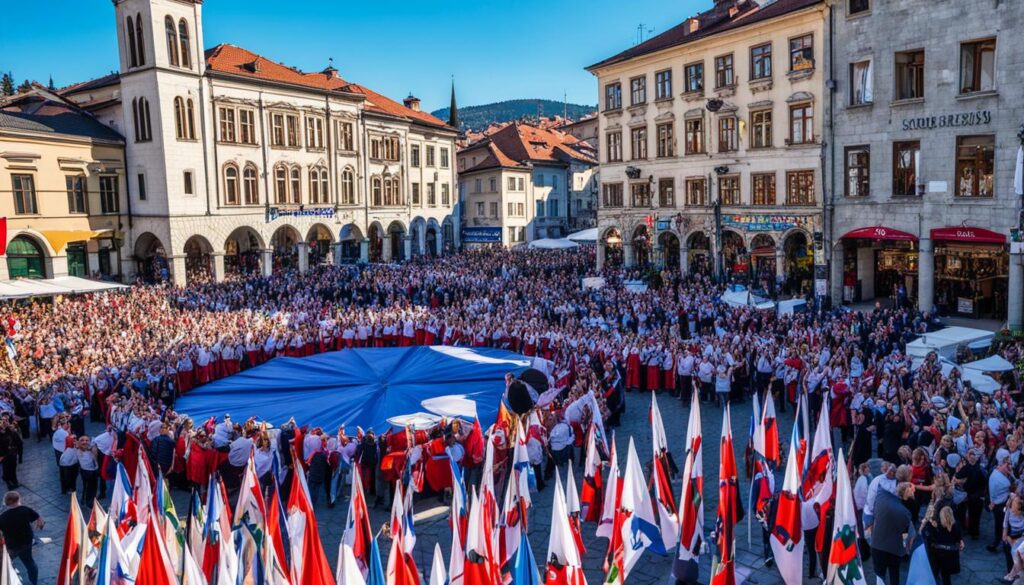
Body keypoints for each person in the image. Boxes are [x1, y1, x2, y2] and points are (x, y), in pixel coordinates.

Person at [870, 481, 915, 585]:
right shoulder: (905, 511)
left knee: (880, 577)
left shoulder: (882, 498)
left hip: (877, 545)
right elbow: (908, 533)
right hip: (894, 549)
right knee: (894, 575)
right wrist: (906, 549)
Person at [0, 491, 42, 585]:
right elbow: (37, 517)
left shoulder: (2, 517)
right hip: (26, 543)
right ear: (18, 499)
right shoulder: (25, 509)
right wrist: (39, 524)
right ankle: (34, 582)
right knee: (29, 563)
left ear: (6, 502)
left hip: (11, 545)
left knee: (6, 563)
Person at [922, 502, 963, 585]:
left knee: (934, 573)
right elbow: (958, 538)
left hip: (937, 555)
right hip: (949, 556)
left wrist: (929, 523)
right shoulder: (955, 526)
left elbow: (926, 535)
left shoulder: (937, 527)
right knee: (946, 577)